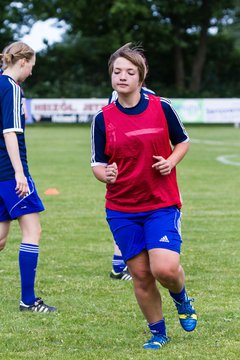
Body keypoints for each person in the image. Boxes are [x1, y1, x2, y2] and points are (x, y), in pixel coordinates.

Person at [91, 43, 197, 350]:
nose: (122, 77)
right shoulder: (103, 118)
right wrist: (105, 174)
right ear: (111, 75)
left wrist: (171, 161)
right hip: (122, 208)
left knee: (163, 268)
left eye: (129, 72)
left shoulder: (161, 107)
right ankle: (158, 333)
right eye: (117, 71)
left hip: (161, 204)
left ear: (141, 77)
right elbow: (97, 163)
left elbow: (183, 142)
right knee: (140, 274)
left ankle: (182, 298)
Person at [0, 41, 56, 313]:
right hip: (10, 173)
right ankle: (28, 300)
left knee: (0, 238)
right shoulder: (11, 87)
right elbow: (10, 132)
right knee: (33, 231)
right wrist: (20, 173)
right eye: (32, 65)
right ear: (22, 62)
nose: (32, 72)